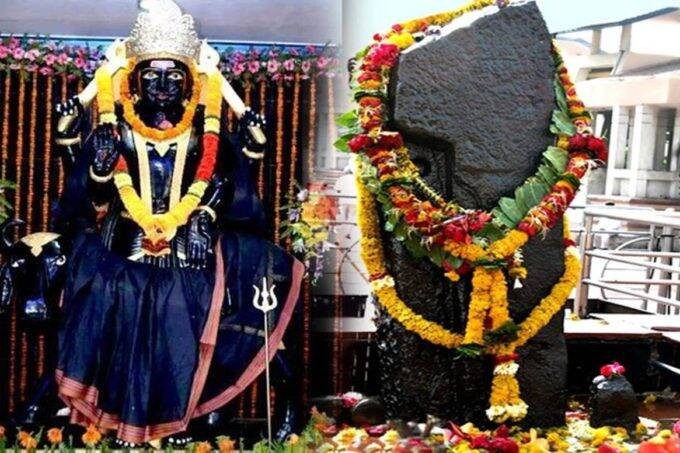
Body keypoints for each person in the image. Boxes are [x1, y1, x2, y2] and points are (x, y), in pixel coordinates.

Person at [50, 0, 303, 444]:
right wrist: (100, 170)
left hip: (189, 256)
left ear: (189, 84)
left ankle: (182, 421)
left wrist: (206, 212)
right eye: (152, 75)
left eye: (174, 76)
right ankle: (120, 425)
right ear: (134, 82)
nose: (163, 85)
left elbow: (227, 184)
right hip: (121, 254)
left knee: (183, 334)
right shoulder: (116, 132)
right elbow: (91, 201)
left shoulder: (205, 135)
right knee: (120, 329)